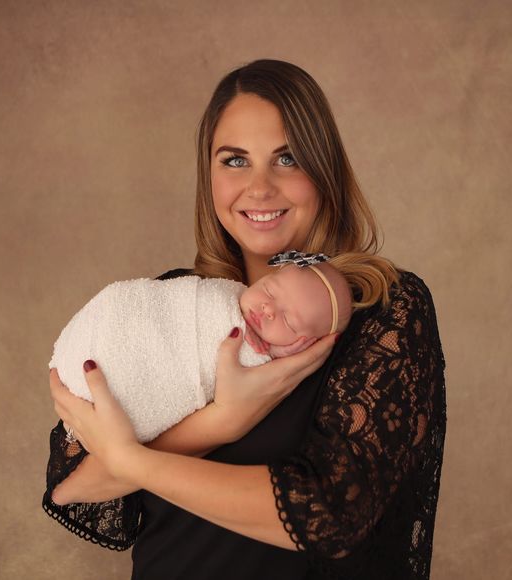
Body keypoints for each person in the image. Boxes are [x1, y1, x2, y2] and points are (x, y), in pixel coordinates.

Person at [46, 59, 446, 580]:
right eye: (235, 160)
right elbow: (74, 489)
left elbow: (330, 516)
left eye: (287, 158)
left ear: (324, 170)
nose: (259, 188)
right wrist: (223, 421)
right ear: (209, 176)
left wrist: (132, 461)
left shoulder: (384, 308)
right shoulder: (172, 304)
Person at [48, 254, 354, 444]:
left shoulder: (261, 362)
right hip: (111, 328)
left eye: (288, 320)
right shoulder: (220, 290)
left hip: (123, 387)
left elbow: (245, 379)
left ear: (306, 346)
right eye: (270, 291)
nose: (268, 309)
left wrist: (276, 355)